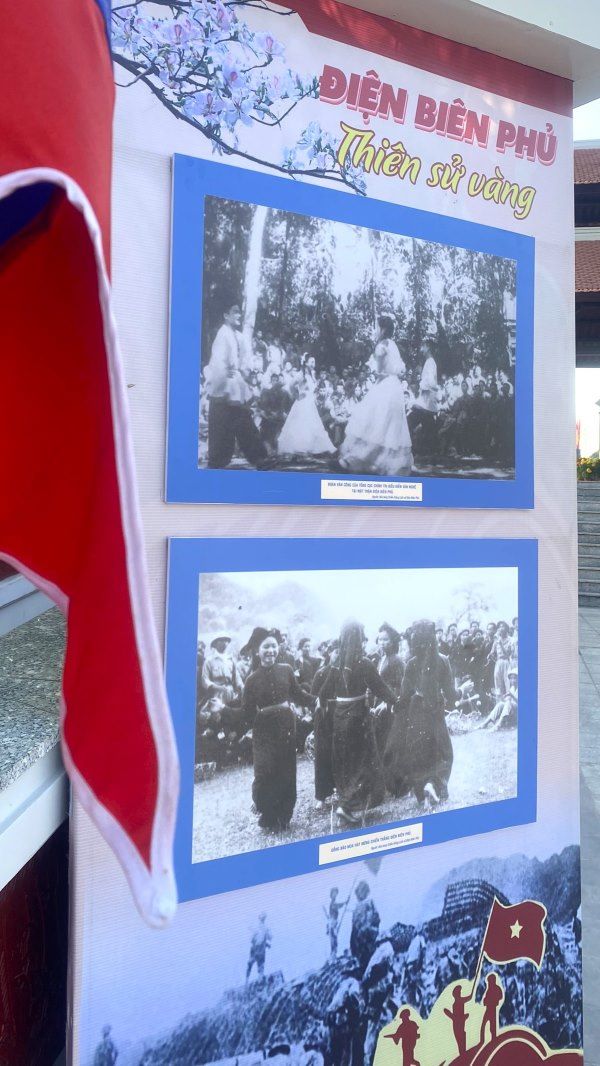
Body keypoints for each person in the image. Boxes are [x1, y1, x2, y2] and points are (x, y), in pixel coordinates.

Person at [313, 621, 395, 825]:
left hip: (340, 718)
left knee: (346, 764)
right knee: (364, 763)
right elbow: (381, 689)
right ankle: (347, 806)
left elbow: (323, 694)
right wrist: (398, 702)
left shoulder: (336, 664)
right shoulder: (364, 663)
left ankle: (347, 805)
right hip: (358, 718)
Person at [242, 632, 314, 830]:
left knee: (286, 771)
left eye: (274, 646)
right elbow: (246, 713)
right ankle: (267, 812)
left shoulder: (287, 670)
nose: (271, 651)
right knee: (264, 772)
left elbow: (299, 695)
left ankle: (284, 816)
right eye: (266, 647)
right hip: (263, 730)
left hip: (286, 726)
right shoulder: (251, 680)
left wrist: (317, 700)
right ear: (257, 651)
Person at [384, 620, 455, 807]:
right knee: (444, 753)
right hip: (435, 710)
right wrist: (462, 692)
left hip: (416, 711)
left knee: (419, 754)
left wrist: (395, 706)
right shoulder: (443, 660)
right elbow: (451, 694)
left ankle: (423, 794)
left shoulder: (411, 663)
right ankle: (434, 784)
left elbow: (404, 695)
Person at [339, 314, 413, 475]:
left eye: (377, 326)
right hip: (395, 388)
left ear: (383, 329)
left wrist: (376, 370)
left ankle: (360, 458)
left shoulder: (381, 346)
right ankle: (380, 461)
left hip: (385, 386)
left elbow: (379, 371)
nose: (375, 330)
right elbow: (400, 368)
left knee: (372, 420)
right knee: (387, 426)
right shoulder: (394, 345)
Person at [204, 301, 267, 469]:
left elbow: (244, 359)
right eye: (235, 312)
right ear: (226, 315)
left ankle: (258, 457)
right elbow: (217, 362)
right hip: (223, 386)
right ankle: (218, 460)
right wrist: (221, 382)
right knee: (222, 425)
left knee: (243, 421)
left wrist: (246, 374)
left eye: (240, 312)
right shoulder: (222, 334)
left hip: (234, 385)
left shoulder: (237, 336)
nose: (239, 315)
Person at [277, 354, 336, 457]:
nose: (314, 364)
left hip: (310, 404)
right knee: (301, 426)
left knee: (313, 426)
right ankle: (300, 450)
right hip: (302, 404)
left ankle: (315, 449)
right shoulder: (300, 374)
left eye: (314, 362)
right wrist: (297, 395)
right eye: (311, 362)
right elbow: (290, 386)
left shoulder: (312, 374)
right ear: (306, 363)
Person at [408, 340, 439, 455]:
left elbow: (431, 383)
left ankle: (409, 449)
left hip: (425, 402)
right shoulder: (429, 362)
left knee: (409, 423)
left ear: (428, 347)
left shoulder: (430, 362)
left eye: (422, 346)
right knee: (429, 428)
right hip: (426, 402)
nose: (421, 348)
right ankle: (431, 452)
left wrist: (421, 384)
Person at [350, 881, 380, 974]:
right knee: (357, 948)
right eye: (358, 892)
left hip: (367, 932)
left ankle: (368, 968)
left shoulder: (369, 902)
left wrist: (366, 927)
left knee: (367, 950)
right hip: (358, 933)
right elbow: (354, 921)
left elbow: (375, 916)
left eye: (362, 891)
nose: (360, 894)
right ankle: (361, 967)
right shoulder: (357, 906)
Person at [258, 371, 292, 452]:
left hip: (280, 418)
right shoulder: (267, 392)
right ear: (271, 381)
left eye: (277, 380)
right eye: (273, 380)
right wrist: (270, 412)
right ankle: (269, 447)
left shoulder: (285, 393)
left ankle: (277, 446)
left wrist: (285, 413)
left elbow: (289, 406)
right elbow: (264, 406)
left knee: (279, 435)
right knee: (267, 428)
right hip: (269, 417)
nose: (275, 382)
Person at [444, 985, 470, 1057]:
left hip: (460, 1023)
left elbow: (469, 997)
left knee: (461, 1038)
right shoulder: (456, 1003)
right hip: (457, 1024)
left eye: (460, 992)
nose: (460, 993)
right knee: (460, 1039)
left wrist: (464, 1016)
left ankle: (463, 1055)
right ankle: (462, 1055)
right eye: (459, 992)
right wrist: (463, 1016)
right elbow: (456, 1016)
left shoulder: (460, 1001)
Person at [246, 912, 272, 982]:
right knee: (251, 963)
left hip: (260, 949)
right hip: (255, 949)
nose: (263, 919)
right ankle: (247, 979)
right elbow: (252, 939)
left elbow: (269, 937)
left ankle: (259, 978)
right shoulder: (256, 928)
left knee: (259, 964)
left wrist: (266, 943)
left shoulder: (265, 928)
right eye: (262, 917)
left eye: (264, 917)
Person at [480, 973, 504, 1044]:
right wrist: (485, 1000)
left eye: (489, 981)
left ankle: (494, 1040)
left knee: (492, 1026)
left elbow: (500, 996)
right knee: (483, 1024)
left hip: (492, 1008)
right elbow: (486, 998)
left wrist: (493, 1000)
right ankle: (482, 1040)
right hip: (488, 1008)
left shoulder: (496, 988)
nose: (489, 983)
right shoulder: (489, 989)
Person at [325, 887, 349, 958]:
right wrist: (345, 902)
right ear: (331, 894)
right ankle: (333, 956)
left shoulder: (334, 902)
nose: (335, 895)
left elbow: (337, 906)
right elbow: (337, 906)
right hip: (332, 923)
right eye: (334, 893)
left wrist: (345, 902)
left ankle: (333, 955)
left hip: (334, 923)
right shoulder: (332, 903)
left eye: (336, 893)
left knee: (335, 940)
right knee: (333, 941)